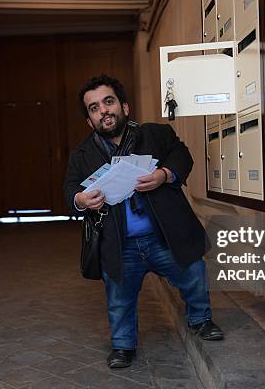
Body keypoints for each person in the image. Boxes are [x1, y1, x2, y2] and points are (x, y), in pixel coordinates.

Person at [63, 74, 223, 369]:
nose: (103, 111)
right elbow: (70, 190)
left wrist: (164, 175)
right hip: (119, 243)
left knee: (193, 275)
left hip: (164, 235)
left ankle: (201, 320)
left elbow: (182, 156)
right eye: (94, 108)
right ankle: (123, 346)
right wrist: (81, 200)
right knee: (119, 300)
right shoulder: (82, 155)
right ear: (89, 120)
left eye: (108, 102)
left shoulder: (155, 135)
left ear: (125, 107)